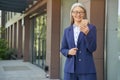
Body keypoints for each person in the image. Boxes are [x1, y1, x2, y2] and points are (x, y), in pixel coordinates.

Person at [60, 2, 97, 80]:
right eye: (76, 12)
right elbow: (63, 49)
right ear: (72, 14)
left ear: (84, 14)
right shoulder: (67, 30)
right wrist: (68, 52)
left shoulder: (91, 28)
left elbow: (92, 48)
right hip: (70, 70)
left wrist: (87, 34)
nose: (78, 14)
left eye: (81, 12)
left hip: (86, 70)